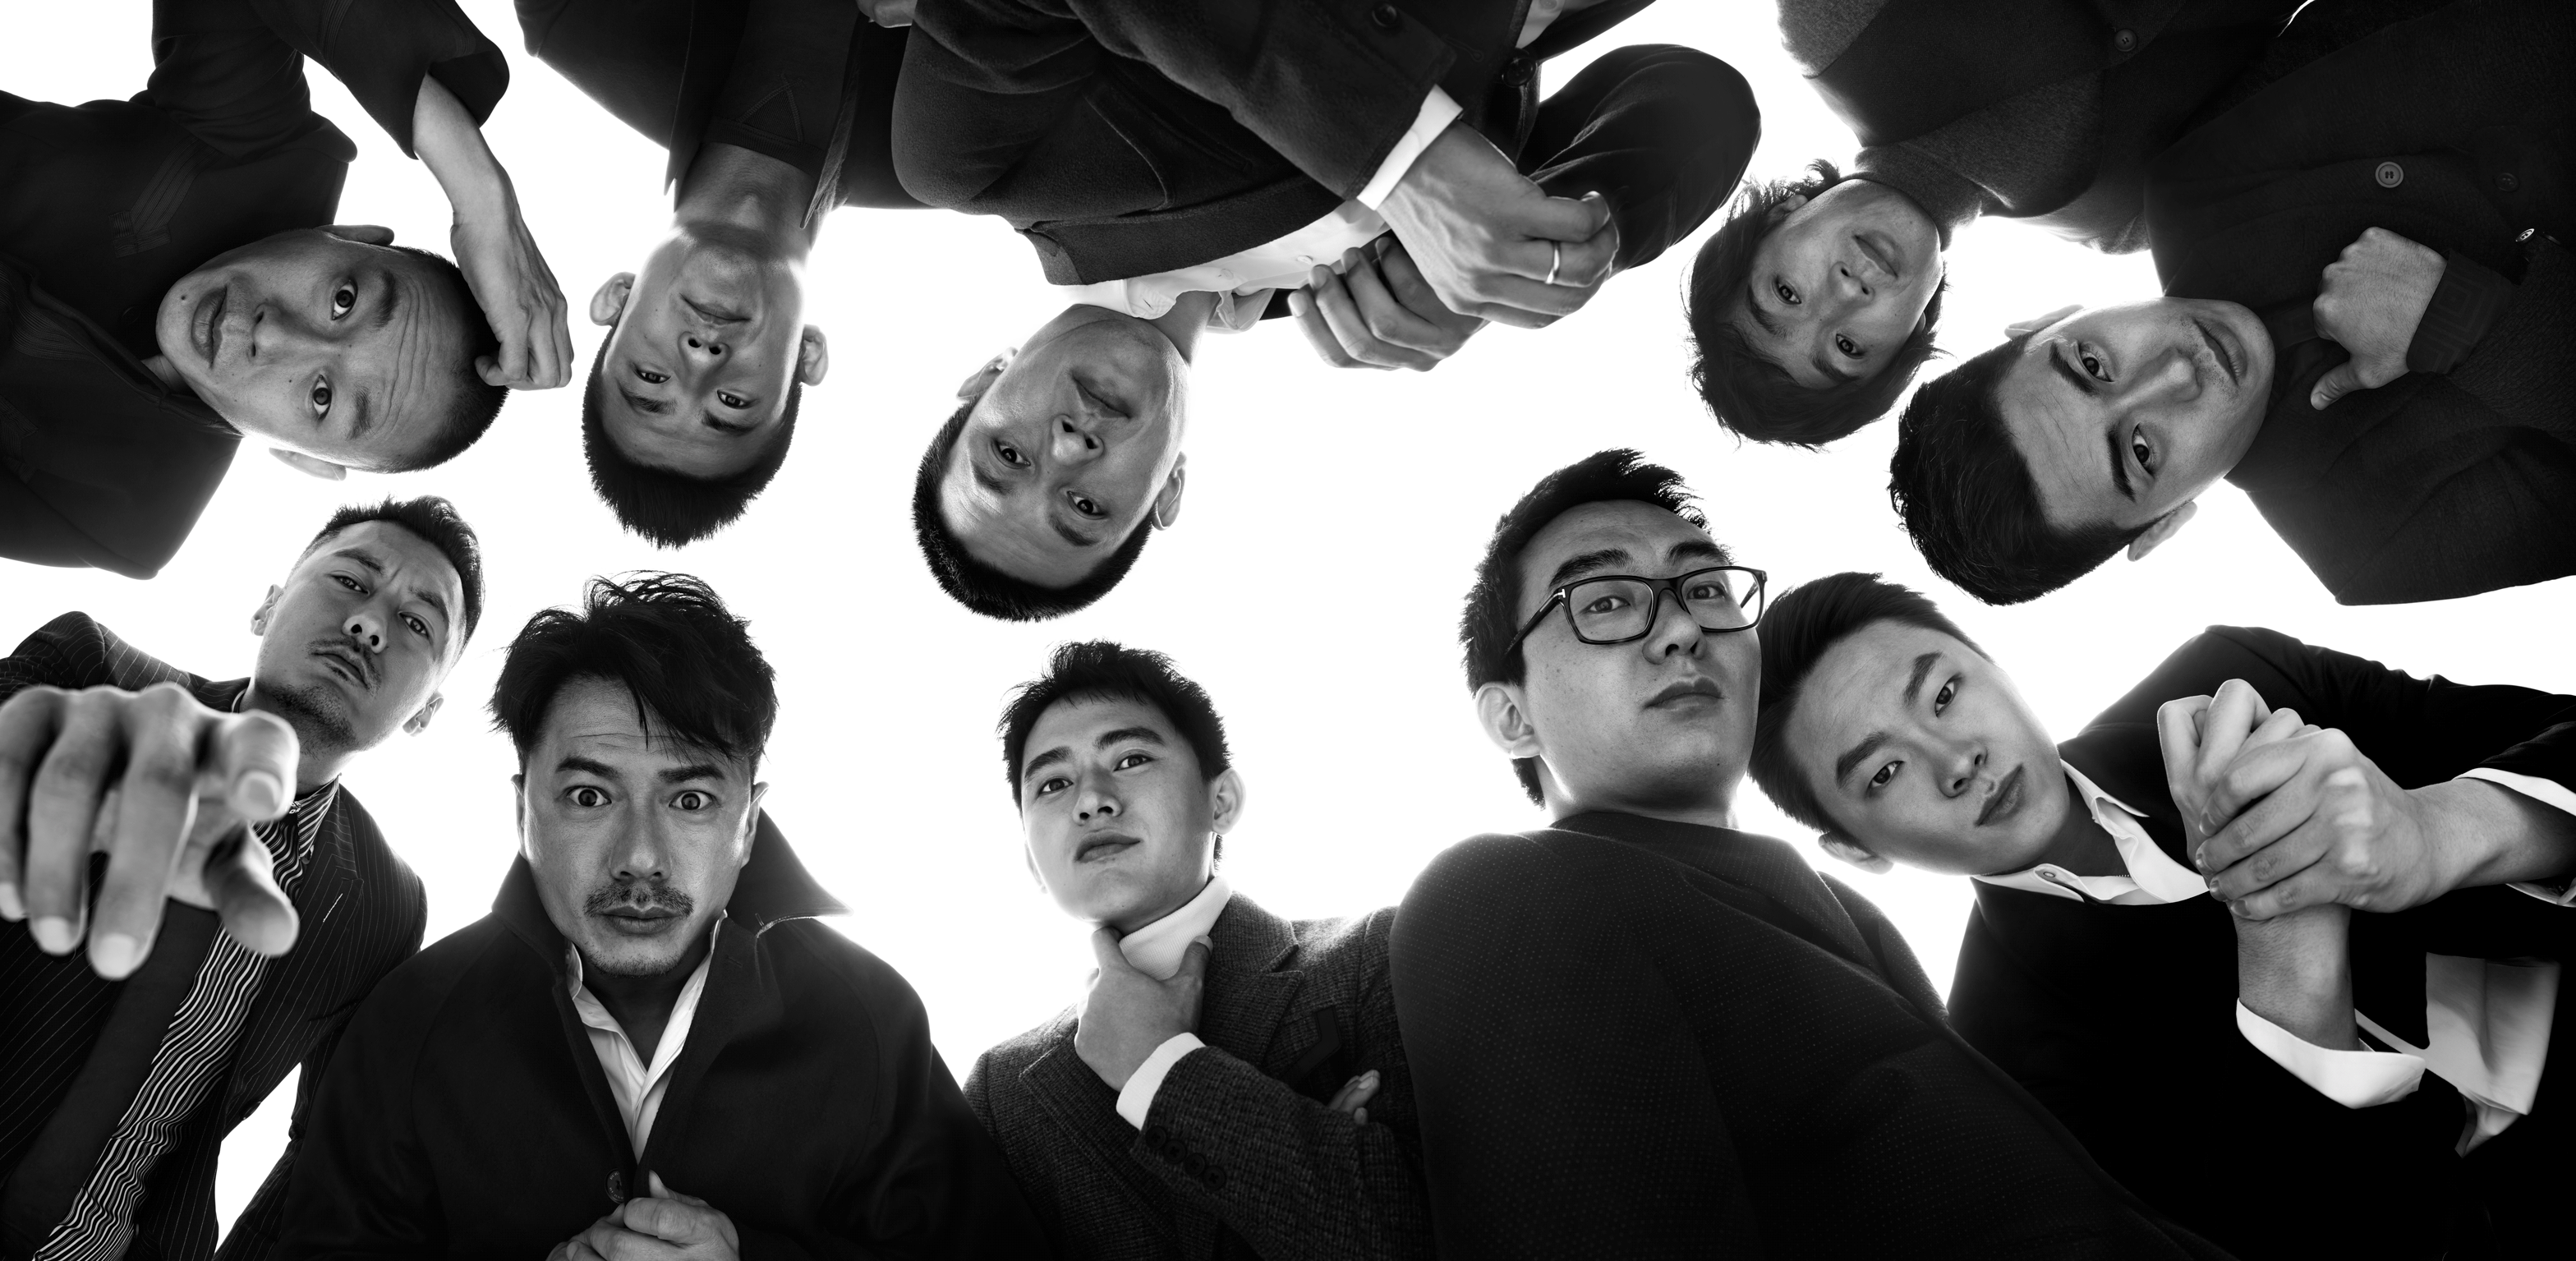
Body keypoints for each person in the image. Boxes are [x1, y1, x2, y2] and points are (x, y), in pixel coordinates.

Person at [1388, 449, 2223, 1255]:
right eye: (1604, 601)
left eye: (1704, 587)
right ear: (1511, 717)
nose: (1680, 627)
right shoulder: (1503, 894)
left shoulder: (1843, 916)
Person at [1749, 571, 2576, 1257]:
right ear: (1856, 851)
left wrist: (2433, 831)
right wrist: (2283, 947)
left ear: (1995, 662)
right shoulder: (2003, 1081)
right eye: (1883, 773)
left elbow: (2556, 731)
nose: (1954, 759)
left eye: (1944, 691)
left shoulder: (2229, 682)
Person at [898, 0, 1759, 619]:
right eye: (1086, 509)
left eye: (1006, 454)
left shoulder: (979, 166)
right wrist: (1541, 258)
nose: (1068, 450)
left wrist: (1404, 159)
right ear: (1167, 493)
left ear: (983, 379)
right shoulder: (1364, 293)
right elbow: (1701, 100)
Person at [275, 573, 1047, 1258]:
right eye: (589, 796)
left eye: (691, 800)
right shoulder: (410, 1022)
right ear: (521, 811)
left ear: (749, 822)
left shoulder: (869, 1018)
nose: (640, 856)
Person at [1888, 0, 2573, 605]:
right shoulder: (2378, 541)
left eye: (2092, 364)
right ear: (2163, 526)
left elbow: (2491, 34)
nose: (2176, 373)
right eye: (2141, 451)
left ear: (2052, 317)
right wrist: (2468, 323)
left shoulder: (2198, 178)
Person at [0, 496, 483, 1259]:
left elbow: (326, 1151)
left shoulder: (387, 905)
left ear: (425, 712)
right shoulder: (89, 668)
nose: (371, 624)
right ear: (267, 606)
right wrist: (1, 790)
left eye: (417, 623)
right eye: (351, 581)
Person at [0, 2, 569, 581]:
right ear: (347, 235)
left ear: (305, 460)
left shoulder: (125, 517)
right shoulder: (258, 148)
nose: (276, 336)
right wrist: (480, 193)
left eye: (322, 396)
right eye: (344, 300)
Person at [968, 641, 1428, 1260]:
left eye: (1131, 759)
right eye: (1054, 783)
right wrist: (1307, 1161)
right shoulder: (1002, 1094)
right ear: (1032, 859)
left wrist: (1163, 1070)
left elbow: (1421, 1237)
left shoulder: (1376, 959)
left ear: (1222, 801)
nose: (1091, 799)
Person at [1685, 0, 2303, 447]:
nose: (1846, 294)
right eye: (1848, 347)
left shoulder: (1836, 22)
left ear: (1781, 216)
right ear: (1909, 339)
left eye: (1786, 293)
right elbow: (2326, 54)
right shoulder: (2130, 218)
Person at [520, 0, 927, 547]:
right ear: (807, 356)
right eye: (732, 403)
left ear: (616, 298)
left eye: (651, 377)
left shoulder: (574, 20)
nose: (701, 358)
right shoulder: (967, 151)